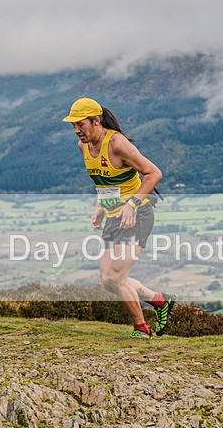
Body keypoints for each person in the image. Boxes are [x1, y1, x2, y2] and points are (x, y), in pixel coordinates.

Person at [63, 97, 175, 339]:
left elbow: (154, 173)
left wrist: (132, 204)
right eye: (73, 125)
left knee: (116, 277)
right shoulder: (84, 147)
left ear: (96, 121)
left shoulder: (117, 144)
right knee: (107, 281)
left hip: (137, 214)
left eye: (80, 124)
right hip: (114, 216)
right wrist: (100, 207)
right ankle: (159, 301)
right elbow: (104, 181)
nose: (76, 130)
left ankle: (141, 330)